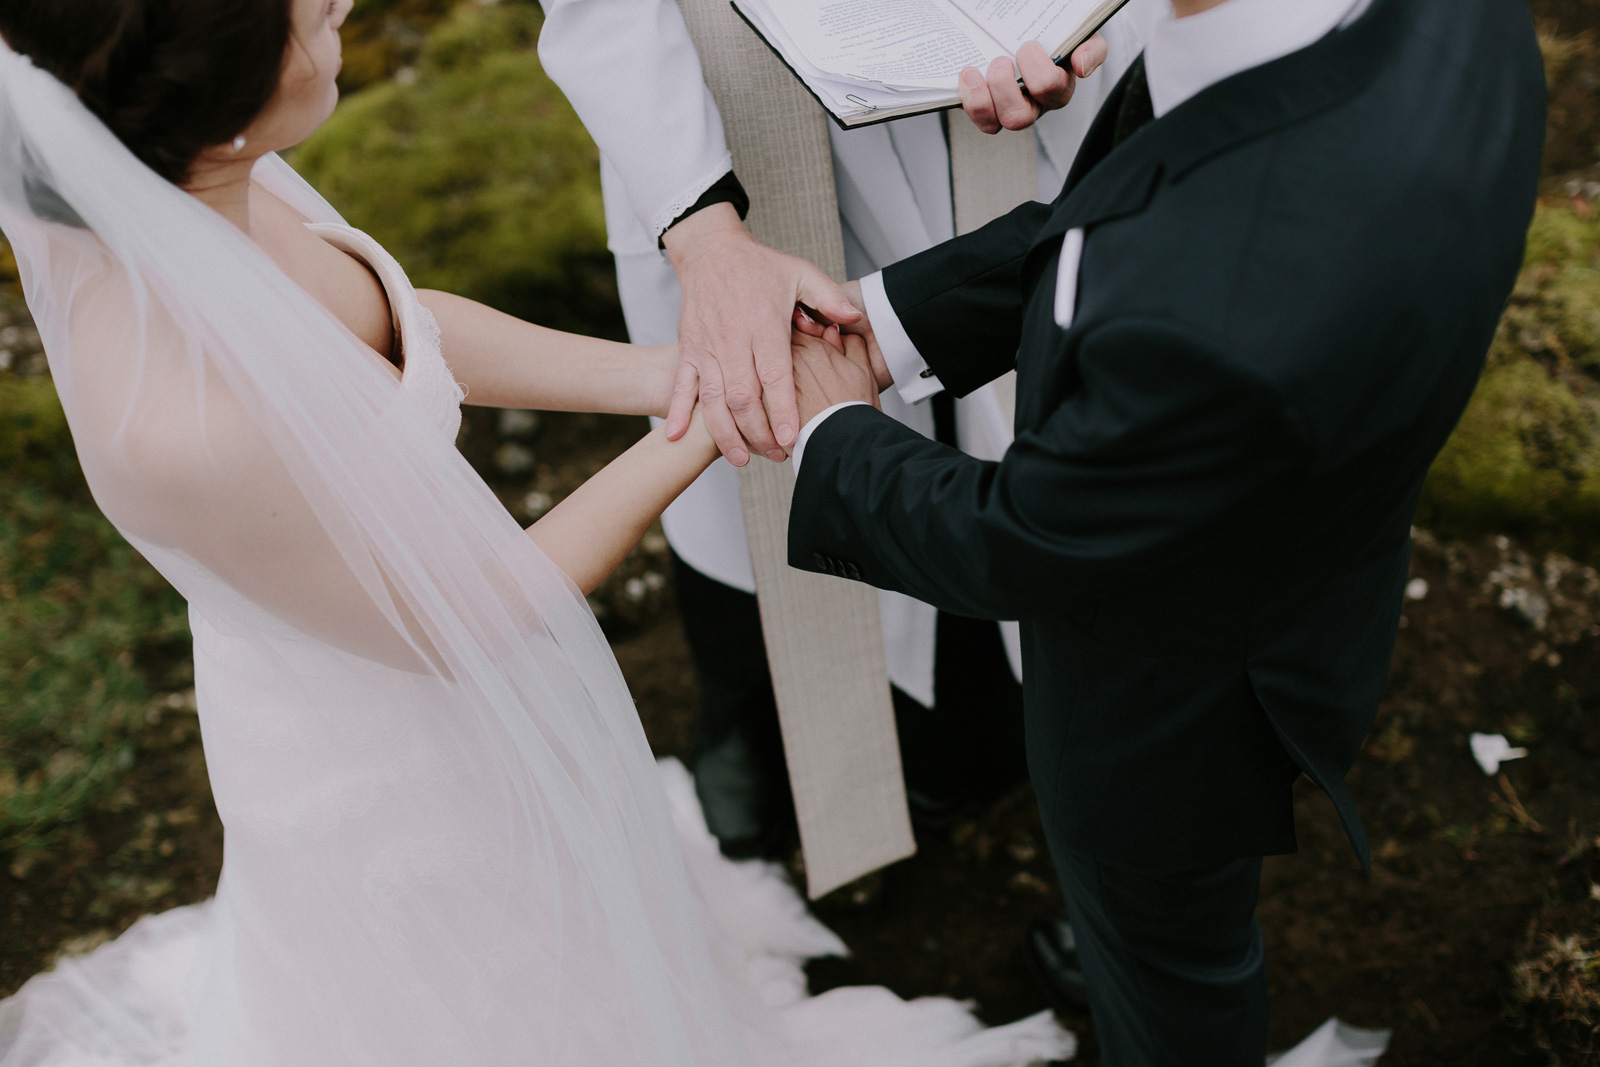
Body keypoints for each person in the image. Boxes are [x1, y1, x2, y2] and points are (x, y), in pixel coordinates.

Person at [0, 1, 1077, 1063]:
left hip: (430, 662)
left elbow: (393, 321)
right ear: (217, 98)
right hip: (387, 746)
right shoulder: (183, 429)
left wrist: (684, 366)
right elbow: (474, 613)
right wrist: (724, 407)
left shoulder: (189, 176)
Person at [782, 0, 1545, 1063]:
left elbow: (1021, 535)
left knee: (1169, 959)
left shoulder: (1222, 313)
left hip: (1166, 703)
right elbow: (1132, 227)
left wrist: (828, 431)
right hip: (1311, 546)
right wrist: (897, 320)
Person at [537, 0, 1162, 870]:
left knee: (994, 378)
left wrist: (1074, 20)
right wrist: (705, 232)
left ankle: (964, 714)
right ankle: (746, 709)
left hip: (981, 76)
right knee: (743, 430)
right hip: (722, 93)